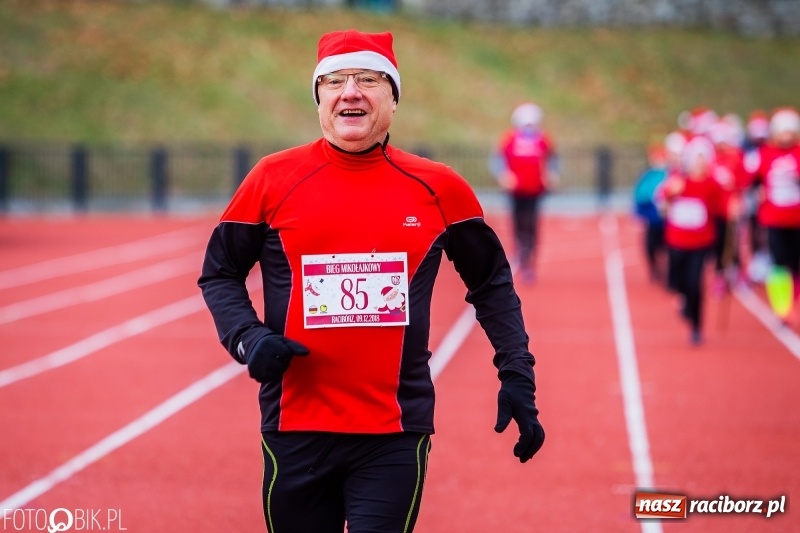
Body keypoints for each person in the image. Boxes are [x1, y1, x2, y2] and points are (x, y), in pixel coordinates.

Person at [198, 29, 545, 533]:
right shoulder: (272, 179)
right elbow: (220, 273)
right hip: (295, 426)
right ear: (319, 97)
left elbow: (491, 283)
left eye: (368, 79)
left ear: (393, 97)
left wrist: (518, 375)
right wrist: (248, 339)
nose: (351, 91)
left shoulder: (439, 187)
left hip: (394, 430)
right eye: (335, 80)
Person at [660, 136, 726, 345]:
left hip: (700, 242)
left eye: (702, 158)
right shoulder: (678, 181)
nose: (699, 163)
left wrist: (732, 206)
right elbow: (662, 204)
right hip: (677, 241)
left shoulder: (713, 184)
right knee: (678, 281)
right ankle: (685, 300)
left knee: (695, 282)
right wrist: (671, 194)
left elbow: (721, 208)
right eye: (695, 158)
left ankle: (697, 327)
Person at [489, 102, 558, 283]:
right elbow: (498, 160)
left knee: (531, 223)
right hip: (516, 190)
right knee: (518, 223)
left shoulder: (543, 139)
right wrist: (504, 175)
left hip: (535, 189)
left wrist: (551, 174)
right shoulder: (509, 139)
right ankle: (521, 251)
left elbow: (552, 160)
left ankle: (529, 259)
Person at [745, 107, 800, 323]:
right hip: (774, 218)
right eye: (782, 131)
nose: (785, 136)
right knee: (779, 262)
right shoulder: (764, 153)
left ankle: (793, 301)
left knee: (796, 264)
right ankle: (782, 307)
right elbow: (750, 178)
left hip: (797, 219)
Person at [632, 143, 668, 284]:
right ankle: (654, 268)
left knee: (666, 247)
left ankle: (665, 270)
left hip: (666, 220)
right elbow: (639, 194)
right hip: (652, 219)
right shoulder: (647, 175)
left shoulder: (669, 173)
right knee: (650, 247)